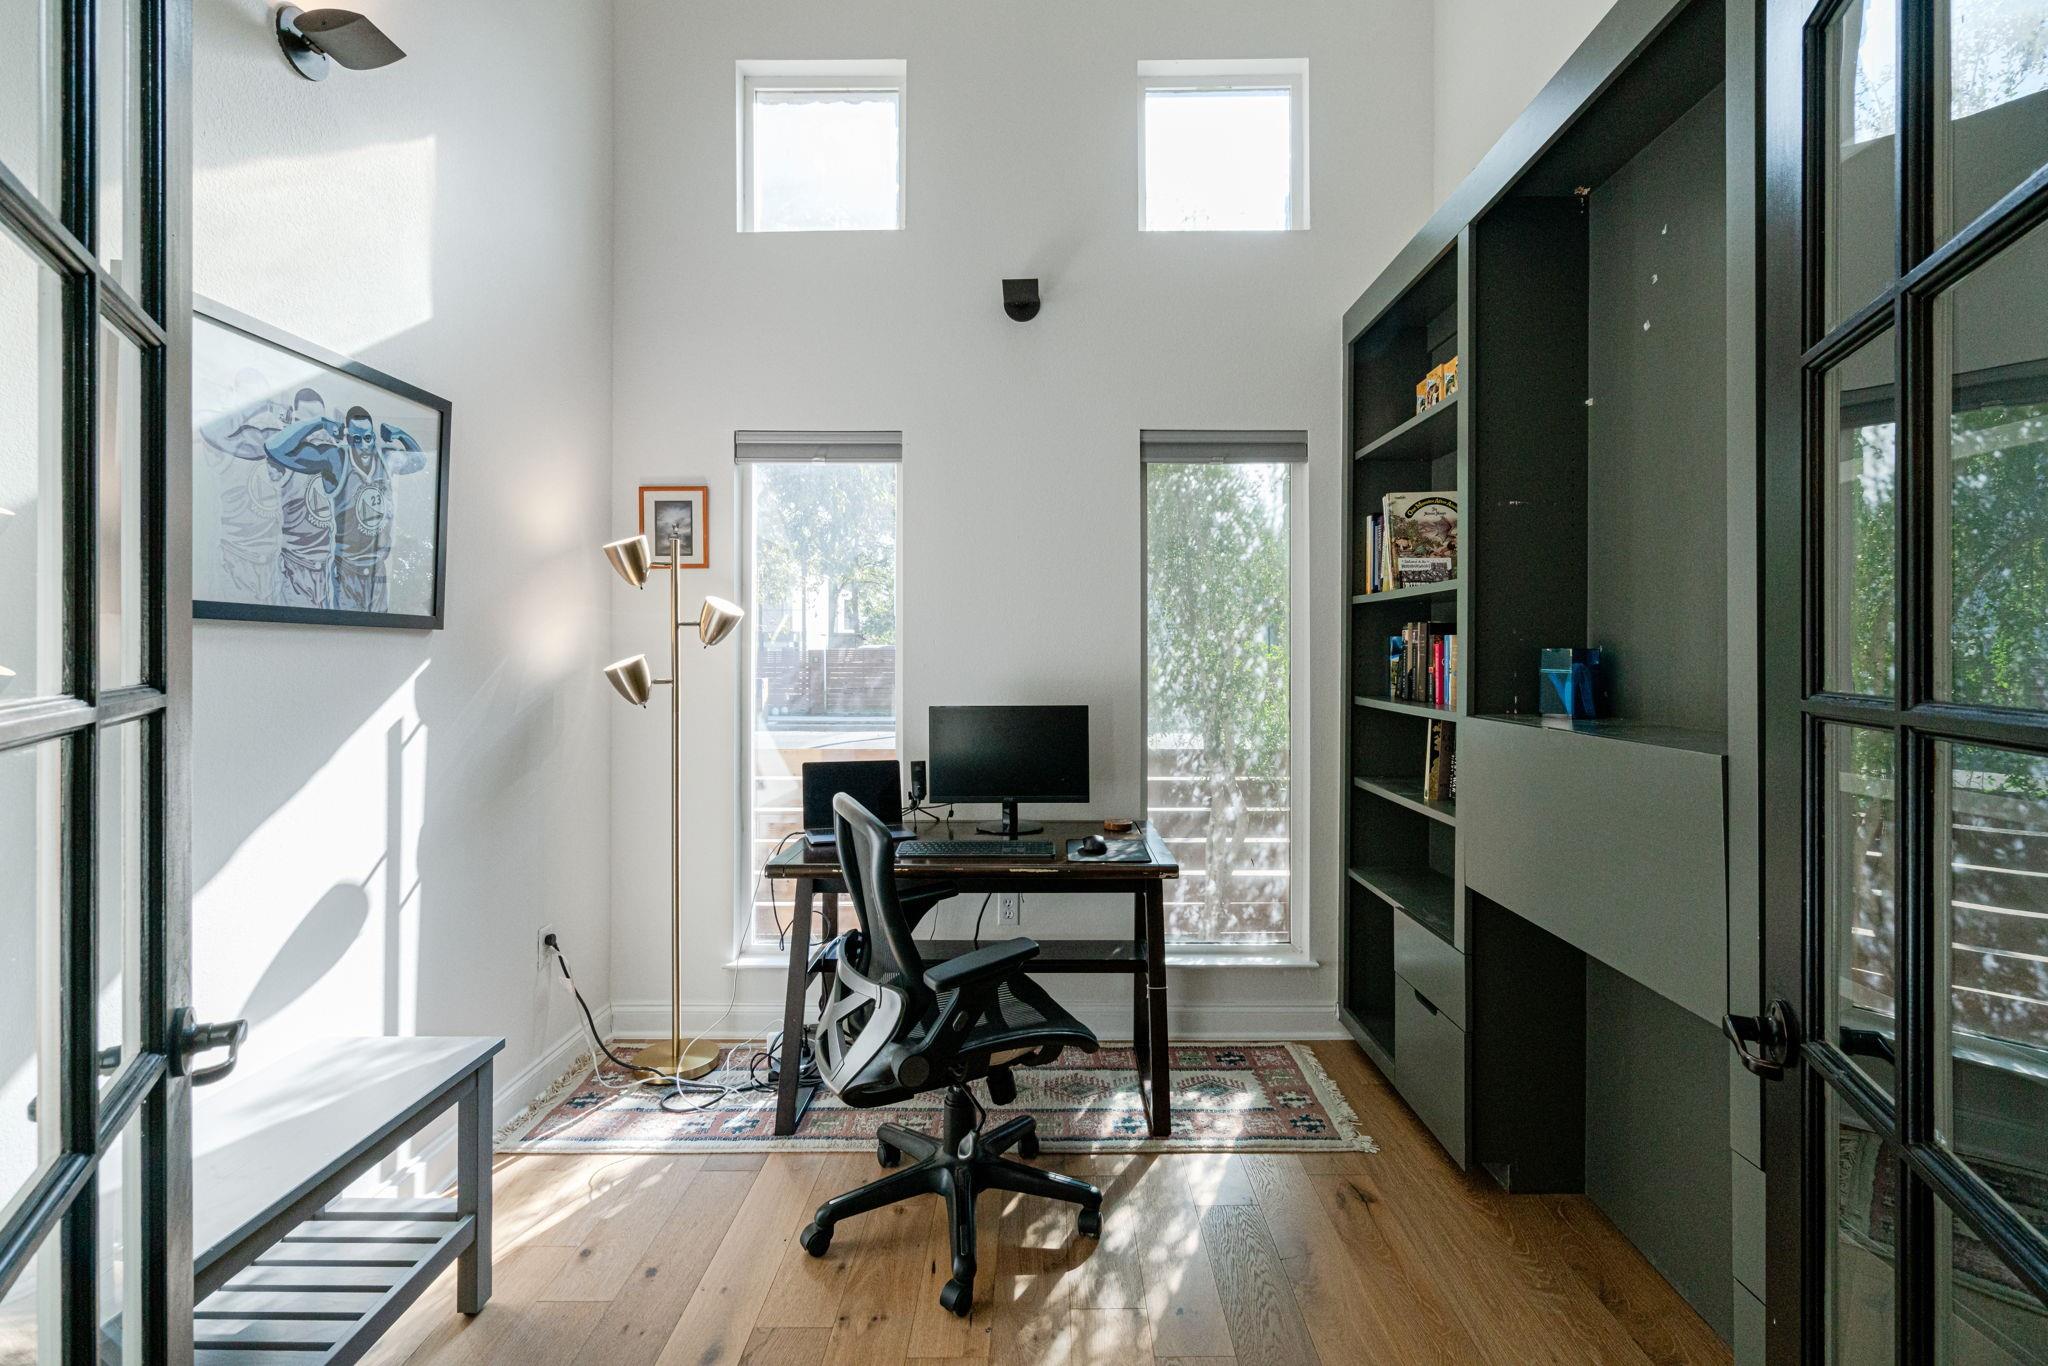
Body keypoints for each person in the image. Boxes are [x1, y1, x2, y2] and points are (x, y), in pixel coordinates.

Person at [266, 404, 428, 613]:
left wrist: (400, 434)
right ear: (348, 438)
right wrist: (318, 423)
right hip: (347, 572)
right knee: (345, 630)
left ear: (373, 437)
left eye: (367, 438)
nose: (363, 446)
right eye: (356, 439)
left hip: (378, 573)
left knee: (380, 631)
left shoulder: (386, 459)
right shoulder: (336, 460)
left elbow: (420, 461)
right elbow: (275, 448)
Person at [197, 369, 290, 603]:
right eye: (252, 401)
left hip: (273, 561)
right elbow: (210, 428)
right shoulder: (225, 435)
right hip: (237, 560)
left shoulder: (274, 438)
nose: (260, 411)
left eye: (263, 402)